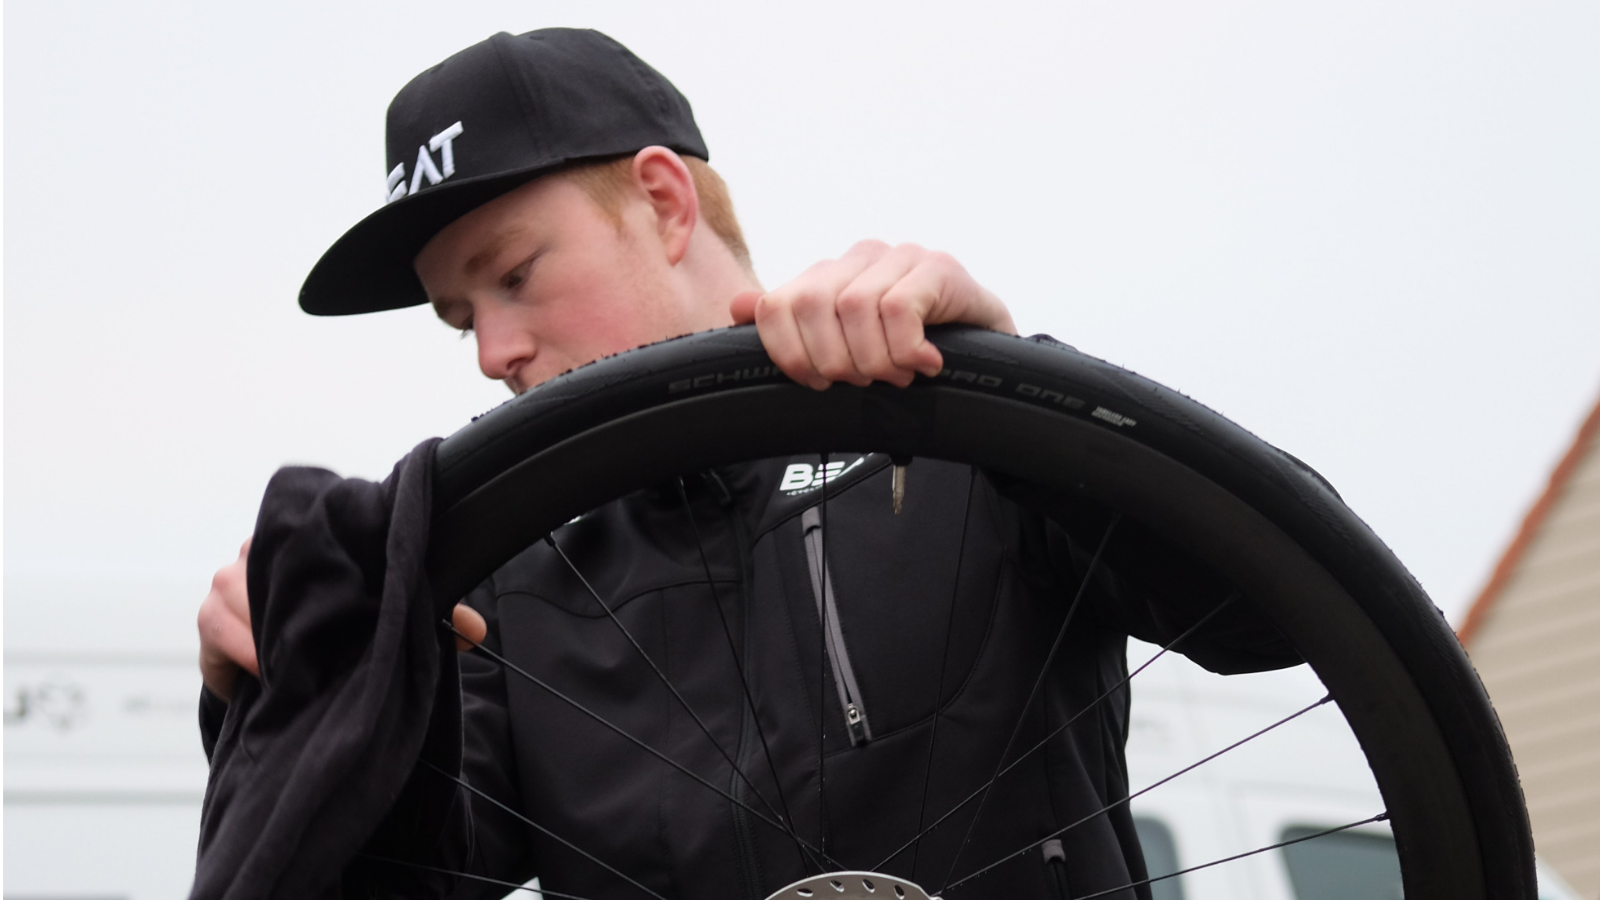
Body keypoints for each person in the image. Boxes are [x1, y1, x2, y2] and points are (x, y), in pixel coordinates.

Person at [196, 28, 1296, 900]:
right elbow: (382, 881)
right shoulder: (513, 603)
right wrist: (299, 676)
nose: (493, 352)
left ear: (664, 202)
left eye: (516, 275)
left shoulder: (964, 447)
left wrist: (1022, 392)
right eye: (457, 318)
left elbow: (1278, 608)